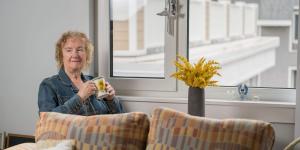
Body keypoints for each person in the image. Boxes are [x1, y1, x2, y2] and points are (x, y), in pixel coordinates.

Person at [38, 31, 125, 115]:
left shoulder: (94, 81)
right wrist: (80, 97)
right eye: (69, 50)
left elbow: (119, 119)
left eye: (80, 49)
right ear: (61, 56)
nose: (75, 54)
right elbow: (47, 119)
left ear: (86, 55)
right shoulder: (49, 85)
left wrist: (111, 100)